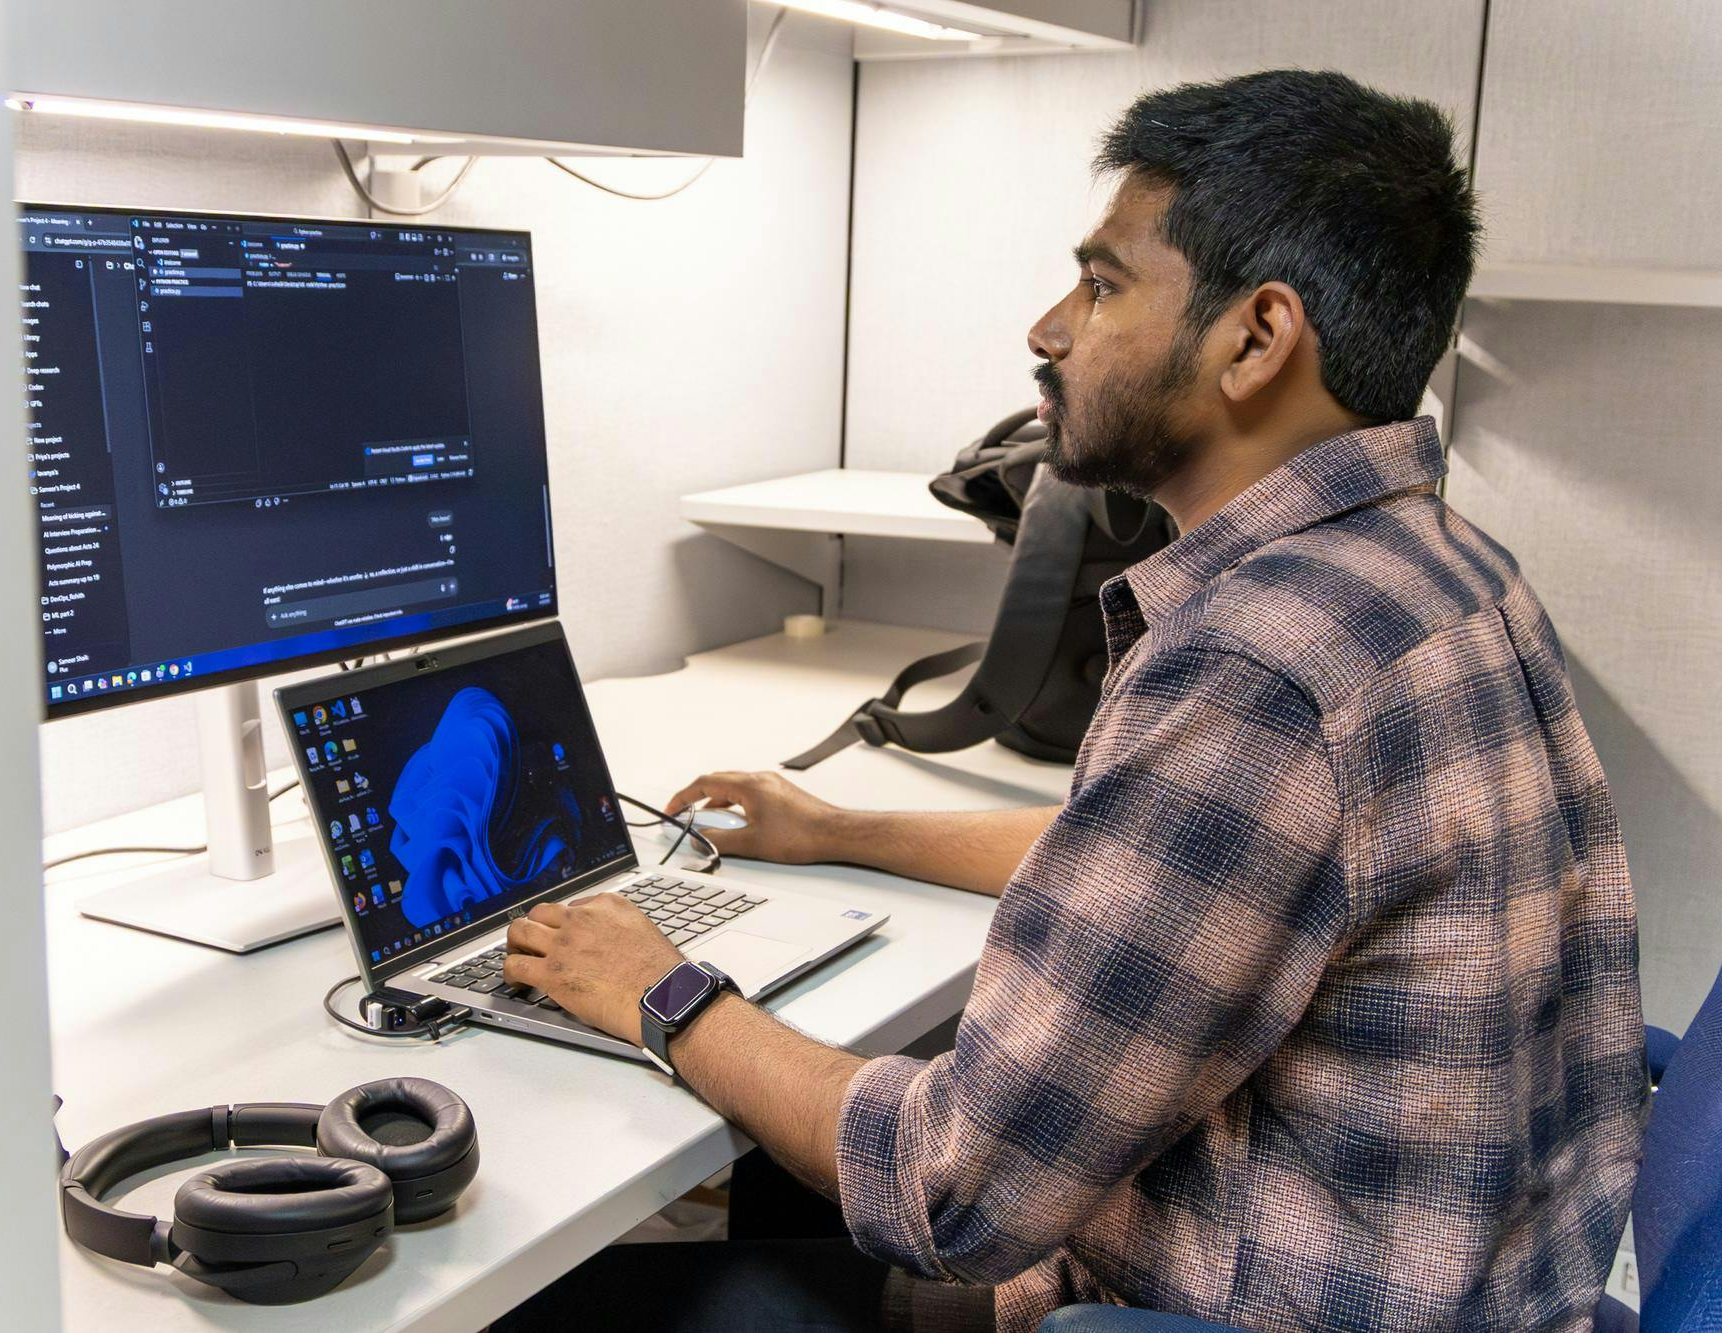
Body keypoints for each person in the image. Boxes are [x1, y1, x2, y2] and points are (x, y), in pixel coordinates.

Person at [495, 69, 1646, 1332]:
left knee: (563, 1291)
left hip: (1211, 1304)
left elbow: (949, 1191)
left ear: (1254, 339)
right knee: (771, 1181)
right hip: (1426, 1285)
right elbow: (1182, 880)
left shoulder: (1262, 663)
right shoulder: (1437, 568)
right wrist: (842, 831)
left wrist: (659, 989)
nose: (1049, 329)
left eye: (1101, 286)